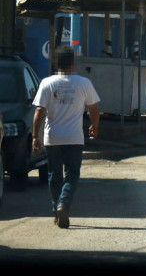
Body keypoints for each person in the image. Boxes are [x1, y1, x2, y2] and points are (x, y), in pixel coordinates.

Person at [31, 46, 100, 229]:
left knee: (54, 175)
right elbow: (93, 109)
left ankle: (56, 210)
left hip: (52, 138)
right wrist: (95, 125)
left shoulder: (47, 83)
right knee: (72, 173)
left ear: (55, 63)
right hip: (74, 138)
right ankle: (64, 204)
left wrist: (35, 137)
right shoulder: (83, 83)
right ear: (72, 63)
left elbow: (39, 110)